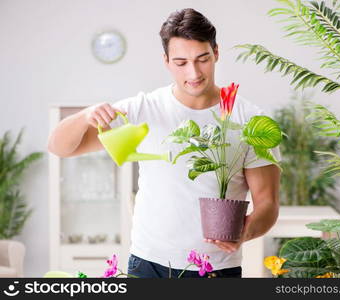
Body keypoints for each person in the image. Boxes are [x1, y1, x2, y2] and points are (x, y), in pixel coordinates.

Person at [48, 8, 281, 278]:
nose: (193, 73)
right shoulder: (143, 109)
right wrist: (85, 116)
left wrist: (244, 233)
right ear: (166, 61)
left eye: (202, 59)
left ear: (216, 53)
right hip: (148, 264)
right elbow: (59, 146)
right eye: (181, 62)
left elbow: (267, 203)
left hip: (216, 268)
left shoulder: (250, 120)